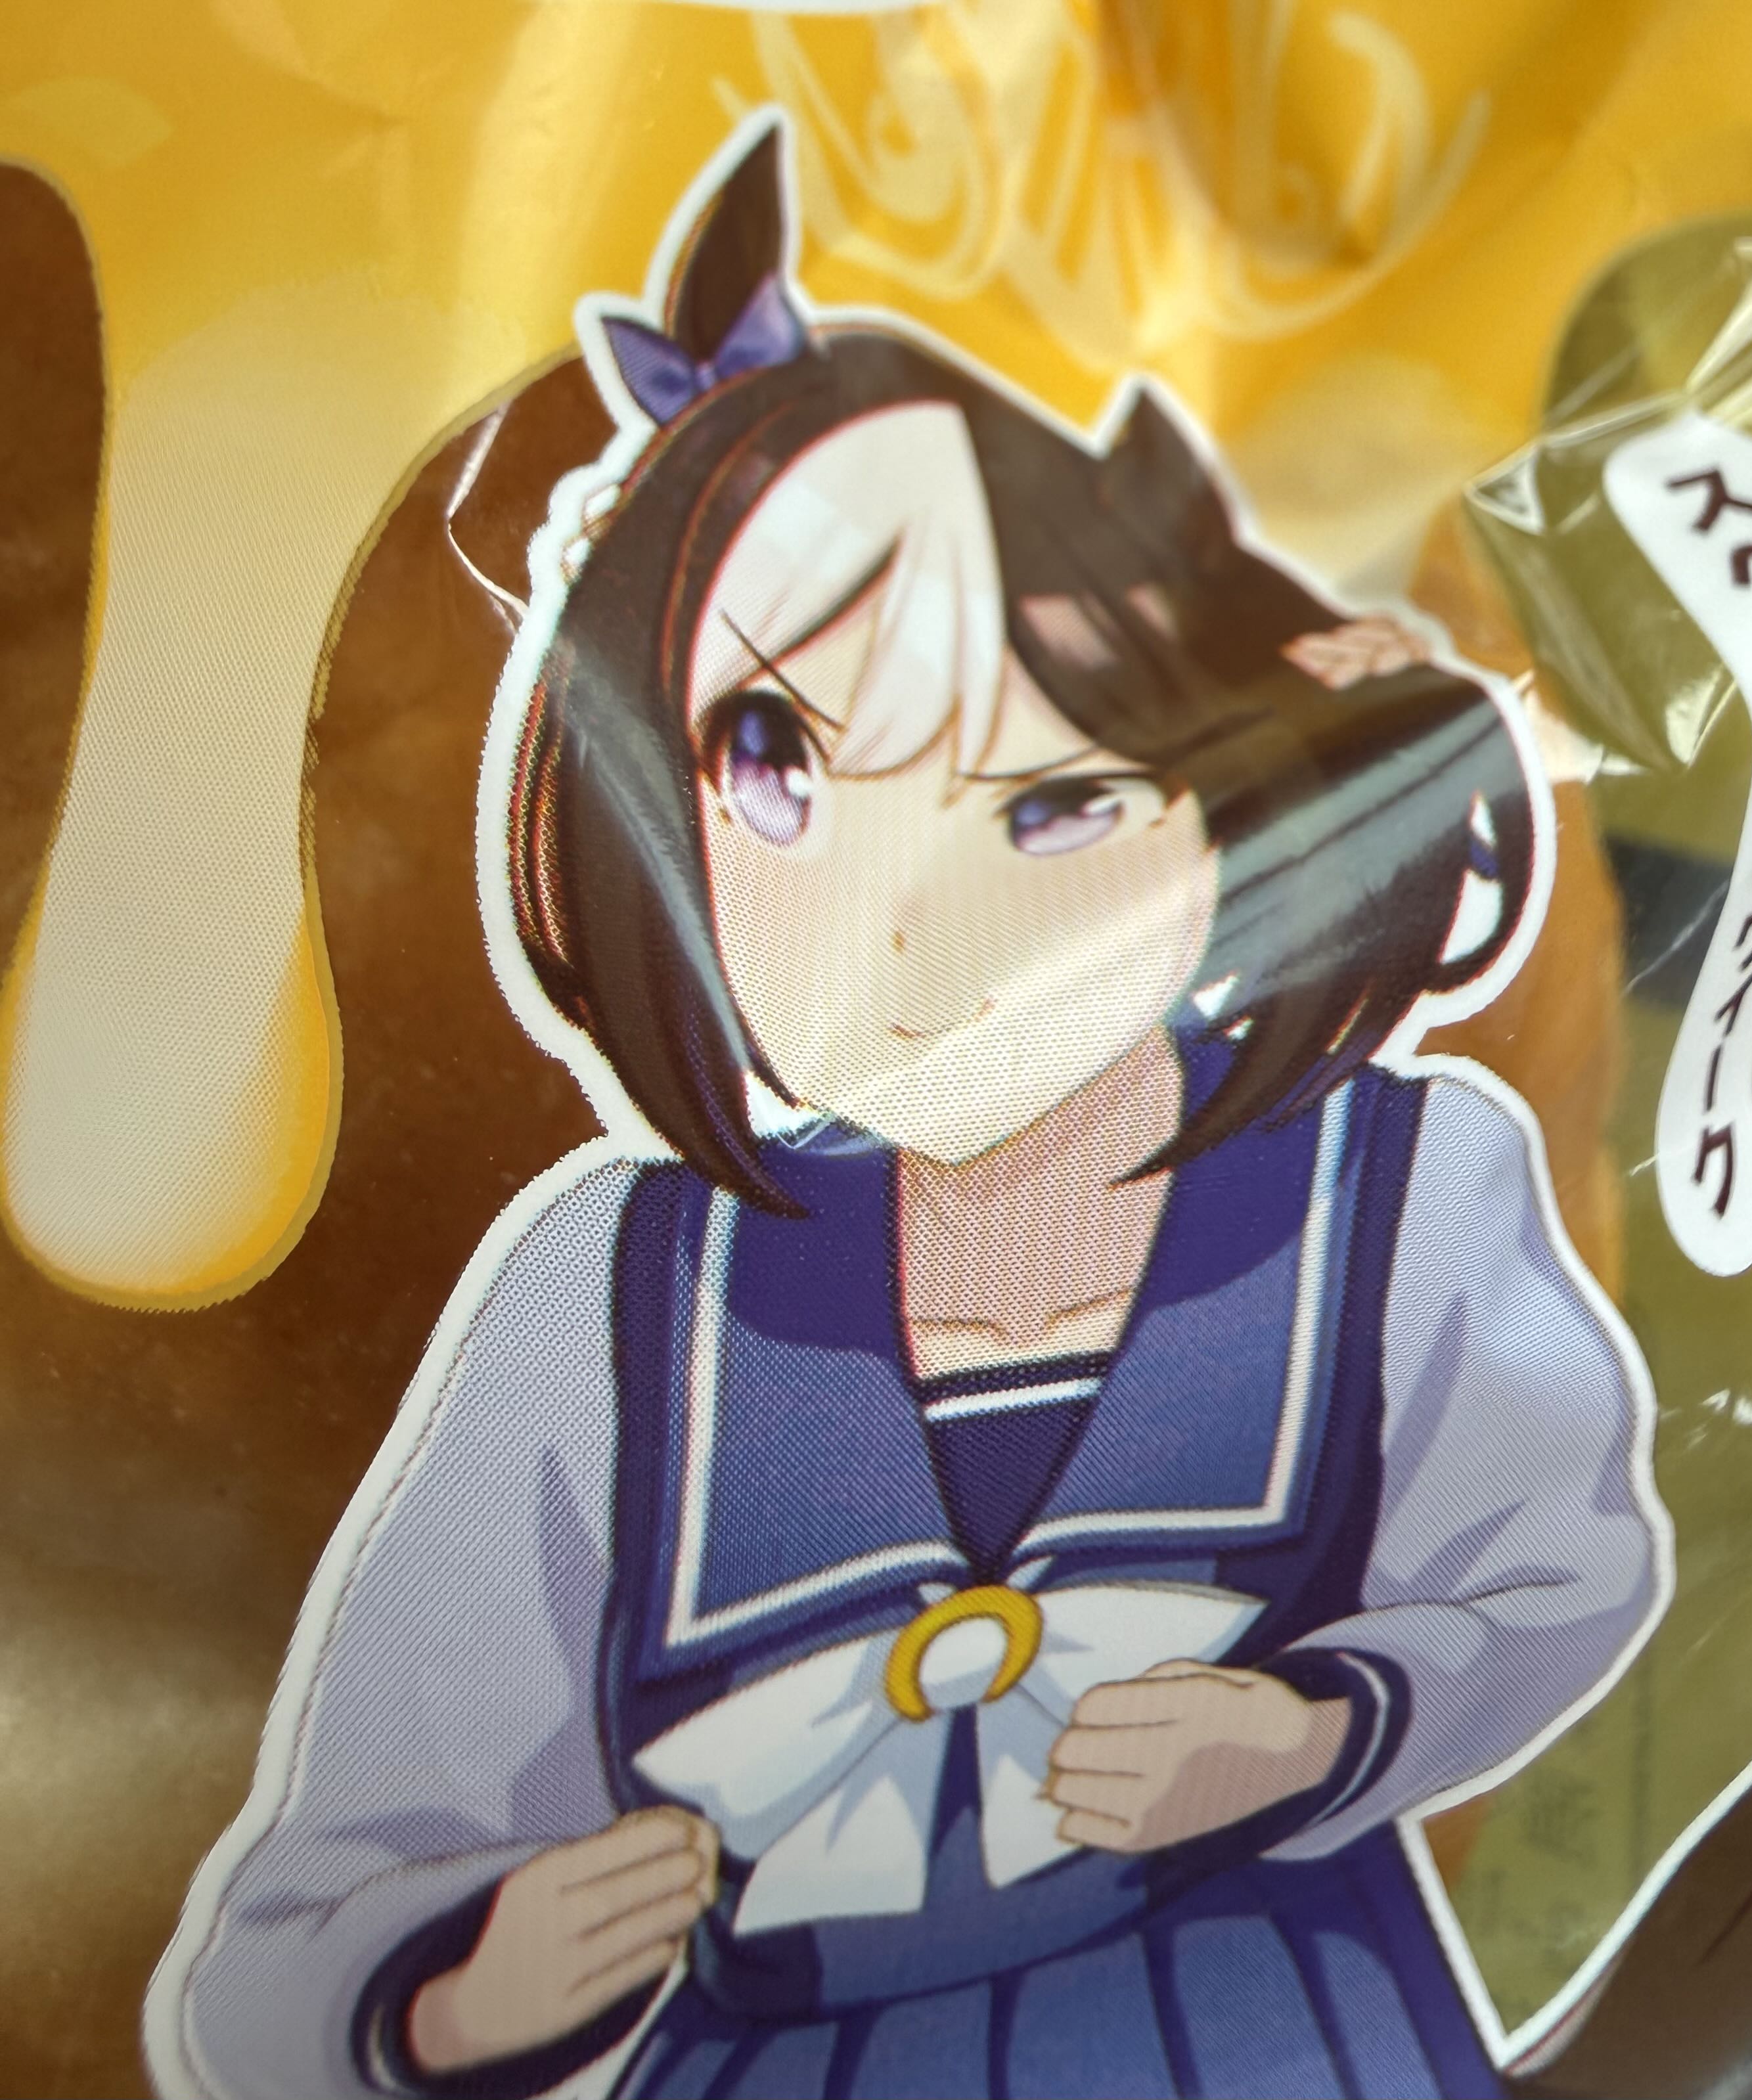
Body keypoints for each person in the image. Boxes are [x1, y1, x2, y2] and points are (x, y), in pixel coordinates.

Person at [148, 117, 1667, 2100]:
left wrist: (1319, 1734)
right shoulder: (607, 1298)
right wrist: (451, 1992)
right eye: (774, 761)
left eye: (1065, 800)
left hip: (1267, 2036)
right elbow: (321, 1889)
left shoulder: (1404, 1188)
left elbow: (1564, 1570)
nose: (903, 927)